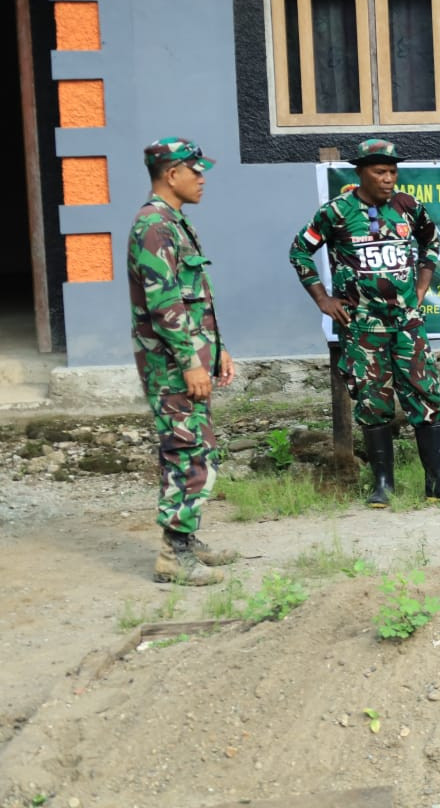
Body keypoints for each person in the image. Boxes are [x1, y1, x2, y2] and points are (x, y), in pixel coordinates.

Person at [289, 139, 440, 508]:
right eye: (380, 172)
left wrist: (422, 285)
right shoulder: (336, 212)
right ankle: (383, 485)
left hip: (407, 325)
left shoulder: (408, 207)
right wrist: (323, 299)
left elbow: (431, 242)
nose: (388, 179)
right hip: (361, 328)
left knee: (427, 397)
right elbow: (299, 251)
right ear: (361, 173)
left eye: (392, 171)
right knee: (373, 402)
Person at [129, 137, 237, 585]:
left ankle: (186, 539)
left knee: (197, 446)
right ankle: (173, 555)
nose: (203, 177)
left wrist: (219, 348)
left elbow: (195, 300)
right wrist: (192, 363)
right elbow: (165, 304)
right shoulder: (154, 226)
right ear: (171, 174)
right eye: (195, 170)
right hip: (172, 364)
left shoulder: (174, 222)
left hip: (187, 358)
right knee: (186, 451)